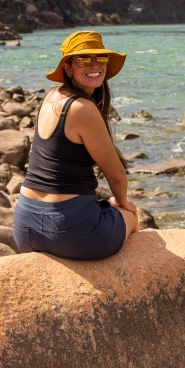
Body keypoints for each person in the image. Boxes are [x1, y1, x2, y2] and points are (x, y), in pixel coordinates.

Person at [13, 30, 139, 259]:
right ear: (68, 67)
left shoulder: (52, 96)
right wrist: (123, 204)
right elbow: (117, 175)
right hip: (69, 232)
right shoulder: (82, 108)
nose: (95, 65)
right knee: (130, 215)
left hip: (25, 227)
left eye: (100, 58)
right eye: (84, 59)